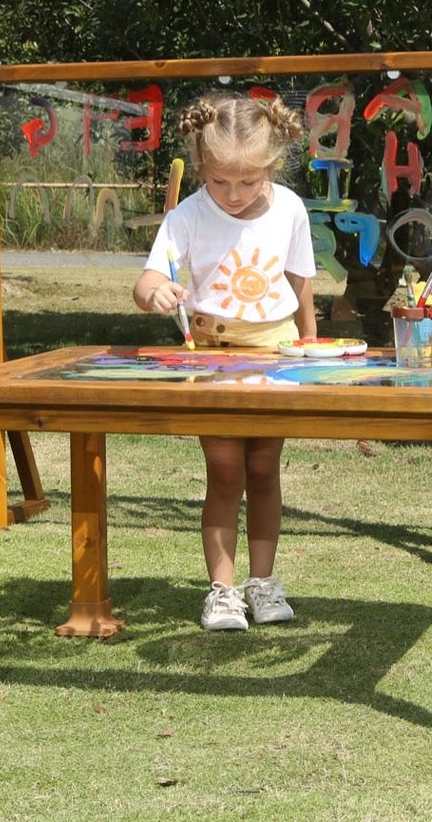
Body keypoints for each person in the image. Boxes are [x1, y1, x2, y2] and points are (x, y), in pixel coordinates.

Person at [132, 93, 317, 632]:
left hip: (277, 353)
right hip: (211, 355)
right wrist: (157, 292)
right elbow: (146, 281)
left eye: (247, 182)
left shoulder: (290, 208)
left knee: (264, 469)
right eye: (219, 182)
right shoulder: (186, 215)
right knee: (225, 471)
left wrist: (310, 340)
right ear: (201, 165)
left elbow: (300, 281)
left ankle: (263, 584)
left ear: (271, 168)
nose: (233, 195)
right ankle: (222, 591)